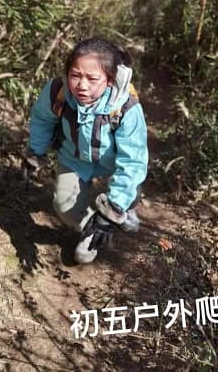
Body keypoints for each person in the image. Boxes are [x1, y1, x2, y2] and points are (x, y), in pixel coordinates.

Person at [25, 36, 148, 264]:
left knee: (130, 187)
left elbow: (132, 162)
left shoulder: (127, 108)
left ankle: (126, 208)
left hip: (114, 161)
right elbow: (42, 119)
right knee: (64, 207)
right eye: (75, 75)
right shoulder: (57, 92)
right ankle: (90, 230)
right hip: (74, 158)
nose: (82, 85)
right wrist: (36, 152)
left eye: (92, 78)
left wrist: (114, 207)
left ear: (110, 79)